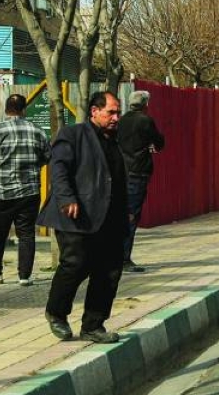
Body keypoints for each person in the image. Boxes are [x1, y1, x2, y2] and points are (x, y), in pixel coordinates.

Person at [37, 91, 129, 343]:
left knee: (109, 271)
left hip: (110, 218)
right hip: (76, 215)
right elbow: (58, 169)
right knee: (75, 264)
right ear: (94, 111)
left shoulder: (116, 140)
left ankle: (93, 325)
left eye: (118, 113)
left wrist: (127, 210)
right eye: (111, 112)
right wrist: (67, 198)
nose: (116, 118)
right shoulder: (73, 135)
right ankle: (56, 312)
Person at [0, 94, 51, 286]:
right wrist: (33, 166)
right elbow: (47, 157)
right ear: (24, 109)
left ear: (6, 109)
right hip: (30, 192)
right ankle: (25, 276)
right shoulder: (38, 131)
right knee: (26, 234)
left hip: (2, 192)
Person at [117, 89, 165, 272]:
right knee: (131, 215)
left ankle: (115, 256)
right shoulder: (145, 121)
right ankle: (124, 259)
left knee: (119, 213)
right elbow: (159, 142)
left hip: (121, 171)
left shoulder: (121, 121)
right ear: (146, 104)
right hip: (138, 172)